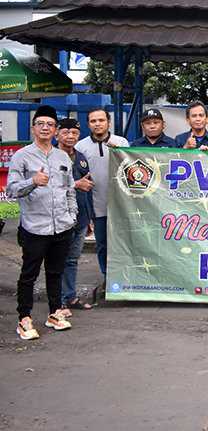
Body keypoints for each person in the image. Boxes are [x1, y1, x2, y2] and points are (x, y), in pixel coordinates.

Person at [8, 106, 77, 340]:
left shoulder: (62, 156)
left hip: (62, 226)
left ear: (56, 130)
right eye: (41, 124)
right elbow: (11, 189)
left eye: (50, 124)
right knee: (29, 274)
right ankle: (24, 318)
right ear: (33, 128)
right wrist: (33, 182)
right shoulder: (21, 156)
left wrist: (72, 216)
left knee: (56, 272)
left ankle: (54, 312)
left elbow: (70, 189)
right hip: (35, 227)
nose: (45, 128)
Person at [75, 107, 129, 280]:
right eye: (93, 121)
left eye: (101, 120)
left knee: (123, 244)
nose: (97, 124)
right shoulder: (80, 146)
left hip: (121, 206)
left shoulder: (121, 142)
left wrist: (119, 152)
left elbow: (131, 170)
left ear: (109, 122)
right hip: (96, 206)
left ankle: (124, 278)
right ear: (88, 124)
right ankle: (108, 278)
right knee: (103, 245)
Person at [56, 118, 94, 316]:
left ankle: (70, 296)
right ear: (56, 134)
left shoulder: (80, 157)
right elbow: (50, 186)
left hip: (81, 217)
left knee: (72, 259)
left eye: (74, 133)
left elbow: (88, 187)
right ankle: (58, 301)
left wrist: (89, 217)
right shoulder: (51, 157)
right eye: (65, 132)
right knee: (58, 260)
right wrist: (75, 185)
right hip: (60, 218)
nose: (70, 136)